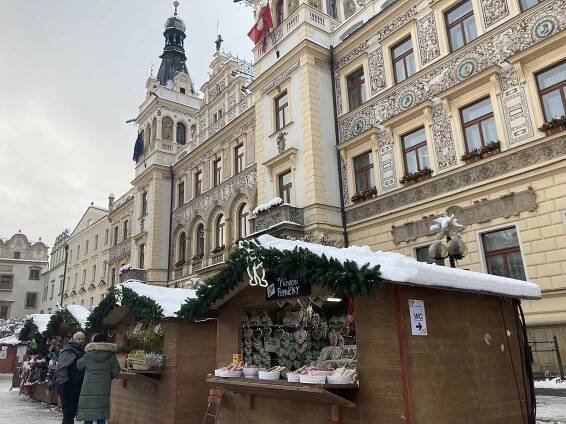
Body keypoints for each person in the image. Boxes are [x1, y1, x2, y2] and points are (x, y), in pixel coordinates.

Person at [76, 333, 120, 424]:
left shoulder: (89, 353)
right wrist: (108, 377)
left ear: (94, 341)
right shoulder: (111, 354)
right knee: (101, 412)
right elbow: (116, 370)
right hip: (103, 387)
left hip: (88, 387)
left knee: (88, 412)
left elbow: (79, 365)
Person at [55, 332, 86, 424]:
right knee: (68, 414)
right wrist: (65, 383)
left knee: (71, 414)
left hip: (75, 386)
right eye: (78, 339)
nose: (81, 341)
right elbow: (62, 367)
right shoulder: (69, 350)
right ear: (73, 339)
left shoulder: (80, 350)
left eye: (83, 339)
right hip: (68, 386)